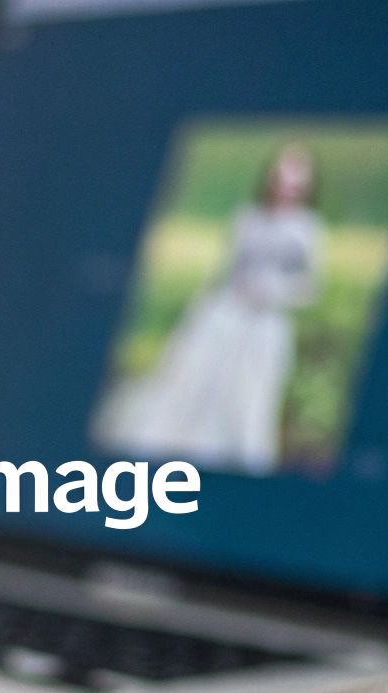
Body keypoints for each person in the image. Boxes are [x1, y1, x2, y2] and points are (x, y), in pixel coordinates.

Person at [98, 142, 323, 476]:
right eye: (281, 181)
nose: (286, 191)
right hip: (228, 314)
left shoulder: (307, 229)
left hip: (263, 325)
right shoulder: (248, 219)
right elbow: (230, 268)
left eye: (295, 185)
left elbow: (307, 287)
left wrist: (272, 291)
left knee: (249, 397)